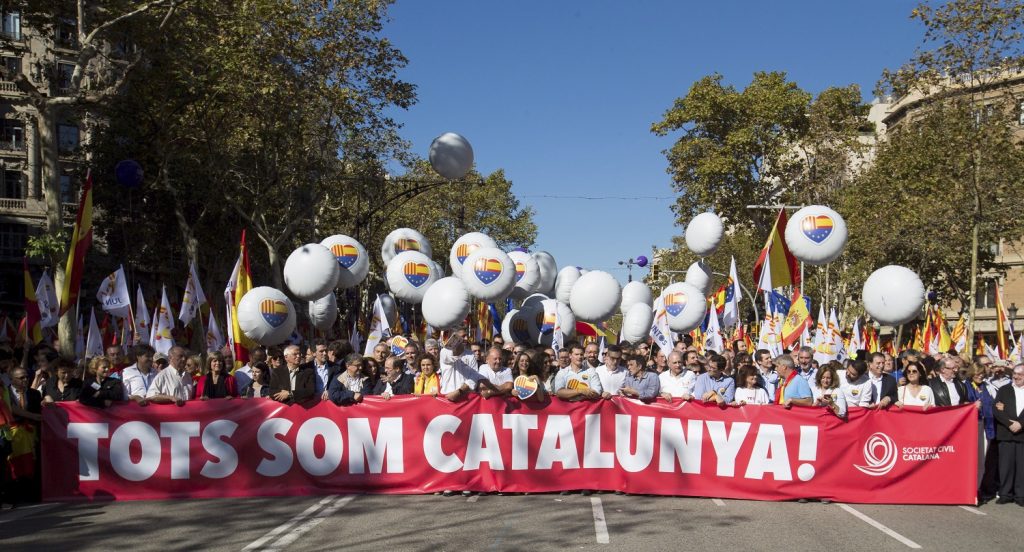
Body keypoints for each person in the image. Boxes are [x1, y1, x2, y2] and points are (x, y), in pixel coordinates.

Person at [967, 363, 998, 504]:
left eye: (982, 374)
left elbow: (992, 402)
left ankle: (977, 489)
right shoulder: (966, 385)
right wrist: (971, 406)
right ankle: (968, 488)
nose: (980, 376)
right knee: (971, 460)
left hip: (986, 426)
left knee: (982, 461)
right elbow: (961, 404)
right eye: (977, 373)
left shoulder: (986, 387)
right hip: (971, 426)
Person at [993, 364, 1024, 505]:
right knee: (1006, 465)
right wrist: (1009, 423)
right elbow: (997, 409)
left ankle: (1020, 496)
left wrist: (1020, 424)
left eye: (1020, 374)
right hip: (1006, 433)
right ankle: (1005, 493)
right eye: (1015, 374)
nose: (1016, 377)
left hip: (1022, 434)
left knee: (1022, 466)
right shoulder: (1004, 390)